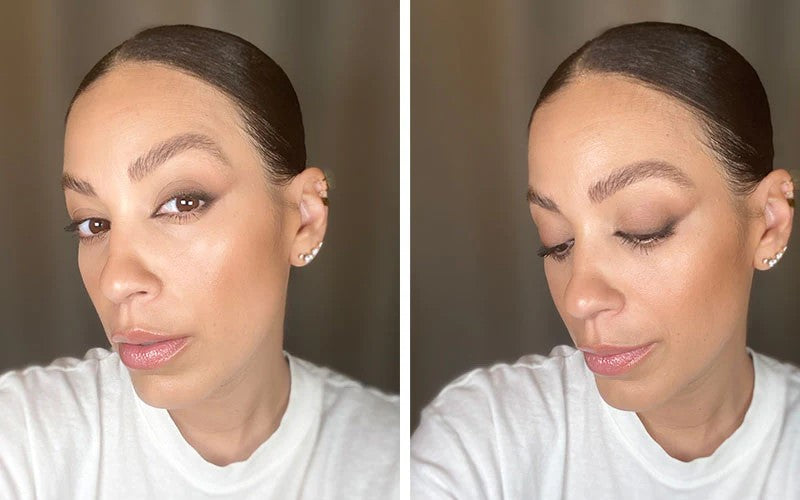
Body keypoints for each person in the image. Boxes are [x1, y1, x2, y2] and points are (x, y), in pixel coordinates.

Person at [0, 25, 398, 499]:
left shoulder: (392, 461)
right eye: (93, 224)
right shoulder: (22, 438)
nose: (117, 280)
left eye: (182, 203)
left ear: (304, 218)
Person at [412, 22, 798, 499]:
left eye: (643, 228)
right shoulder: (485, 438)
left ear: (769, 222)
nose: (579, 299)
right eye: (558, 242)